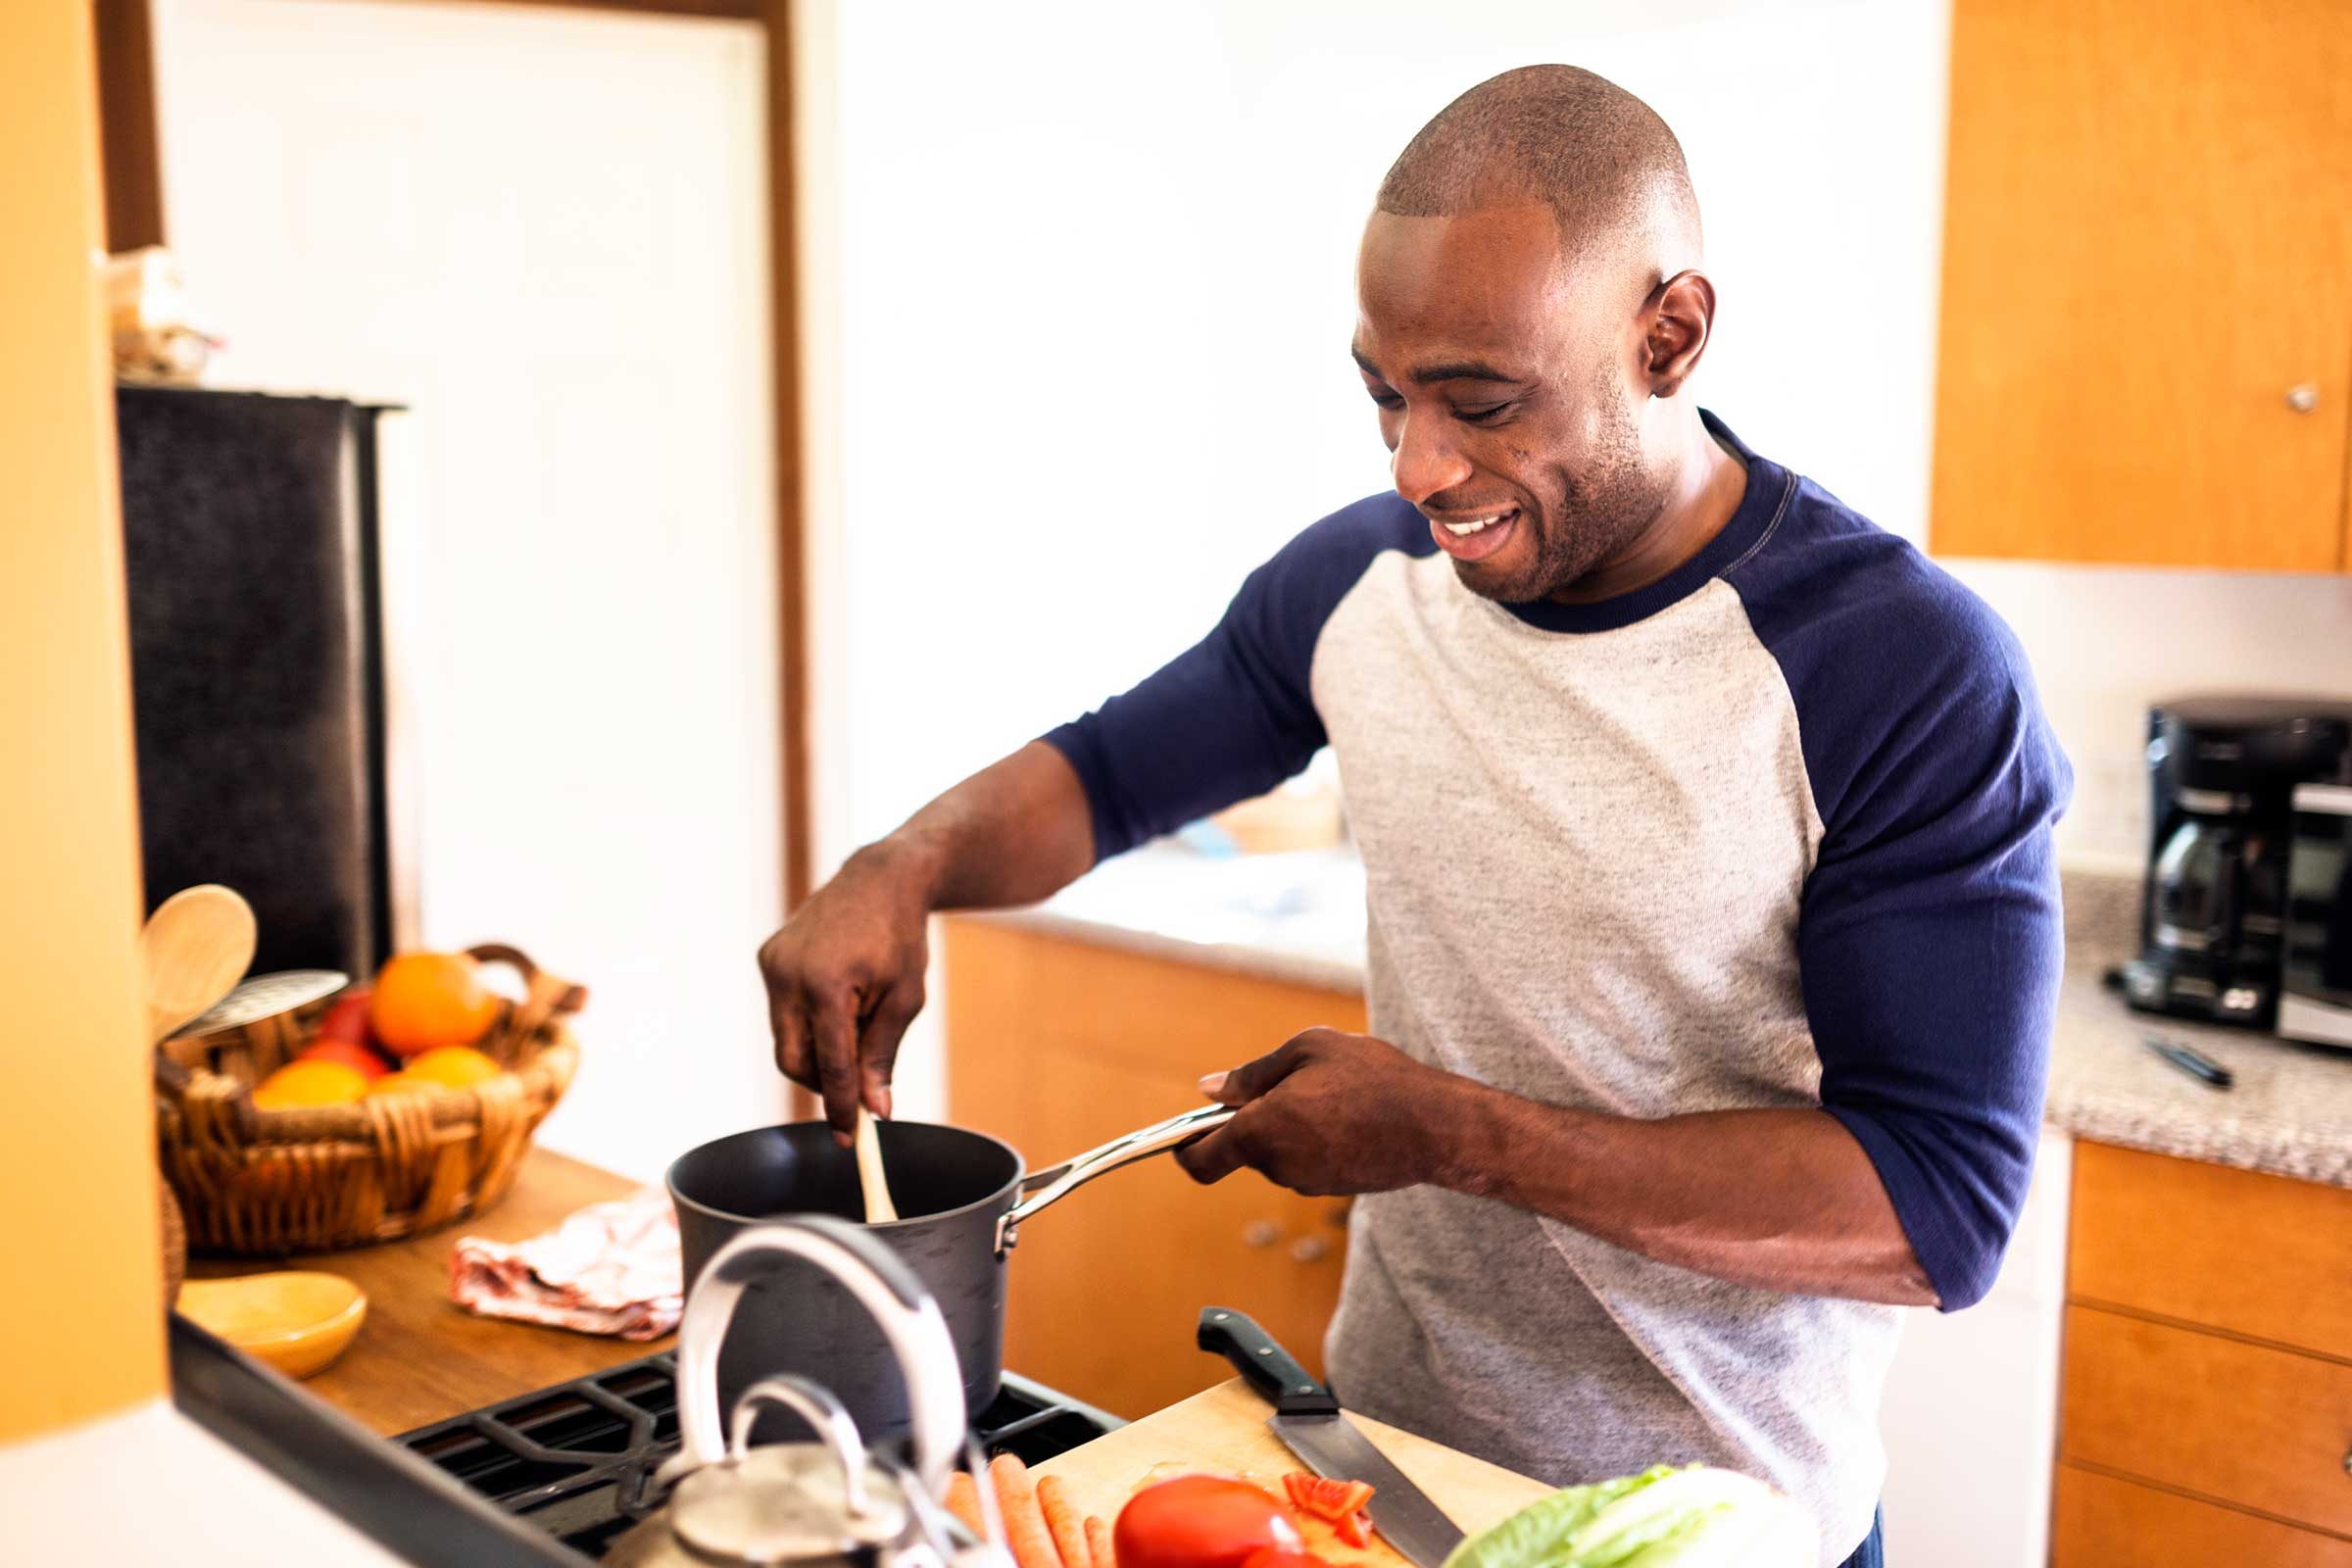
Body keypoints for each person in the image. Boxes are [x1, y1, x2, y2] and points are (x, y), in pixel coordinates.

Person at [758, 64, 2070, 1568]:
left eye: (1481, 403)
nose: (1418, 466)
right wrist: (899, 864)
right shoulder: (1361, 583)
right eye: (1385, 393)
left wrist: (1452, 1133)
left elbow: (1934, 1215)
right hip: (1369, 1486)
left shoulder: (1897, 670)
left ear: (1671, 334)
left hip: (1707, 1530)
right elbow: (1108, 776)